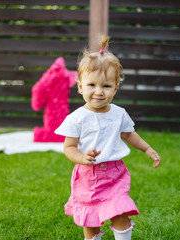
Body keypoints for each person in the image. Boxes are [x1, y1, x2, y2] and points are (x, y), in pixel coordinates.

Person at [55, 35, 161, 240]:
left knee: (120, 213)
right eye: (91, 85)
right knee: (91, 221)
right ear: (80, 86)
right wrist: (81, 157)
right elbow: (69, 147)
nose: (98, 92)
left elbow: (128, 134)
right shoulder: (77, 118)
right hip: (88, 177)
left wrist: (147, 148)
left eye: (105, 86)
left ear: (115, 88)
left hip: (115, 175)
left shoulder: (119, 113)